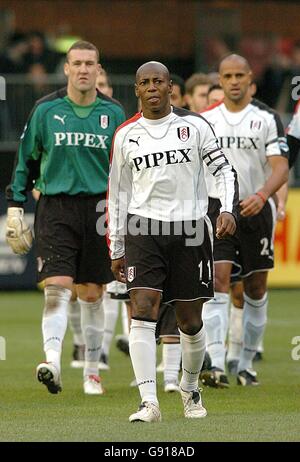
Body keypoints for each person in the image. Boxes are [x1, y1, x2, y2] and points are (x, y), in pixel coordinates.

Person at [107, 61, 238, 422]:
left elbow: (223, 169)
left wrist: (227, 209)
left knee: (190, 320)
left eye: (158, 81)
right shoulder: (125, 135)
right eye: (145, 82)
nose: (152, 87)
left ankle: (190, 388)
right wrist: (117, 246)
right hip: (143, 228)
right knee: (143, 309)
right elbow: (118, 193)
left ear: (169, 88)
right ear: (136, 90)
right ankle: (148, 401)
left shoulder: (195, 126)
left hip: (190, 229)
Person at [5, 40, 126, 395]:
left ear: (99, 69)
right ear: (67, 69)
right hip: (56, 206)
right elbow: (25, 159)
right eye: (78, 63)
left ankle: (92, 370)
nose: (84, 69)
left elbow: (126, 168)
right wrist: (15, 205)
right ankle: (52, 362)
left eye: (91, 63)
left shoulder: (115, 113)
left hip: (100, 209)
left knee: (91, 293)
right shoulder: (46, 110)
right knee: (57, 287)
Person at [200, 54, 289, 388]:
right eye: (228, 76)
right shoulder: (205, 119)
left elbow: (280, 166)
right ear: (220, 81)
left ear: (250, 78)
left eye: (240, 75)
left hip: (255, 209)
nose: (234, 81)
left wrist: (262, 195)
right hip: (217, 209)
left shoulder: (265, 118)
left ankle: (247, 362)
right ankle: (218, 364)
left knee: (255, 287)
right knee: (219, 280)